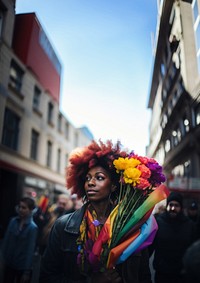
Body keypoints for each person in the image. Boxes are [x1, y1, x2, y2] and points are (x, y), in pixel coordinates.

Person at [39, 140, 152, 283]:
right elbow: (46, 276)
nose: (91, 183)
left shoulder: (132, 227)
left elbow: (143, 276)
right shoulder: (63, 226)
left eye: (99, 178)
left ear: (113, 186)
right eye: (87, 178)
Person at [149, 191, 196, 283]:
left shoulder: (189, 225)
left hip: (181, 275)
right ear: (167, 205)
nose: (173, 208)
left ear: (181, 207)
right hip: (161, 274)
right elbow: (149, 248)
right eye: (171, 204)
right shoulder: (158, 223)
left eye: (176, 205)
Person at [1, 197, 38, 283]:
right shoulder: (13, 221)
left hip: (21, 266)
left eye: (24, 208)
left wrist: (26, 272)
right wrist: (2, 260)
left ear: (30, 210)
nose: (21, 209)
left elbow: (30, 250)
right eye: (20, 207)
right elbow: (6, 242)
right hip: (9, 263)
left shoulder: (32, 228)